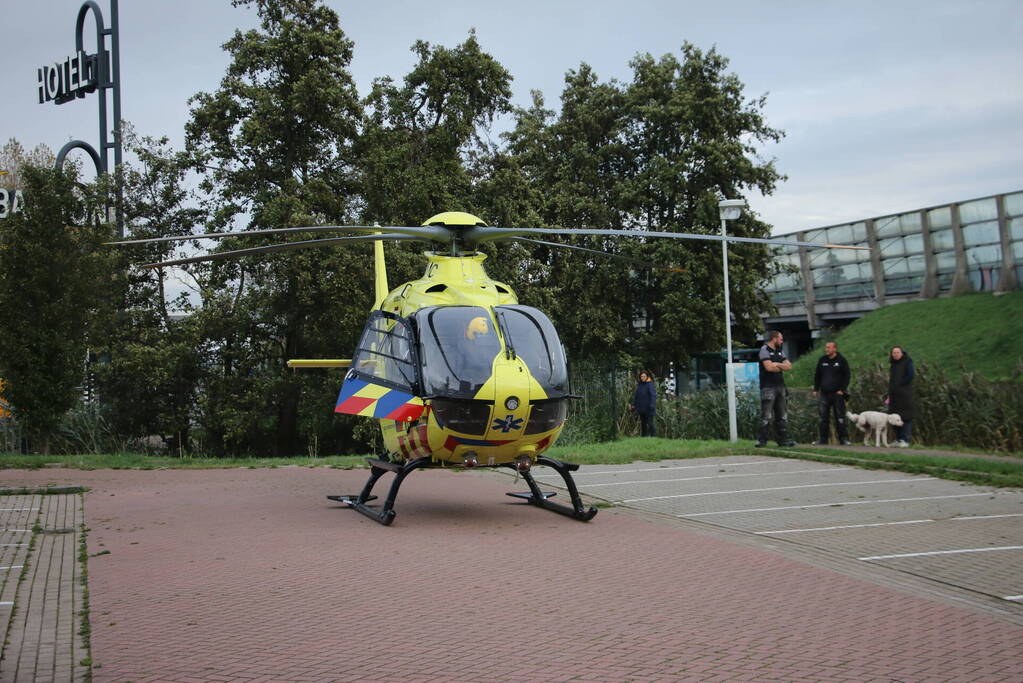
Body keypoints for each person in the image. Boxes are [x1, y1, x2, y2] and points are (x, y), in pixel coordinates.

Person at [756, 330, 795, 447]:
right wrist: (779, 365)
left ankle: (782, 441)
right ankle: (762, 441)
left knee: (782, 415)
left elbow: (789, 366)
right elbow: (768, 367)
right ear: (774, 338)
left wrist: (776, 364)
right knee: (766, 415)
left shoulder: (779, 351)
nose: (782, 341)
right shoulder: (764, 350)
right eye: (781, 339)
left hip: (780, 386)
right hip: (768, 387)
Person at [812, 340, 851, 445]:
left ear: (835, 349)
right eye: (826, 347)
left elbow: (847, 376)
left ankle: (843, 439)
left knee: (840, 417)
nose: (826, 349)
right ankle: (823, 440)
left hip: (837, 394)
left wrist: (842, 390)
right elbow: (817, 375)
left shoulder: (841, 360)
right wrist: (816, 389)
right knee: (823, 418)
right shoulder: (822, 360)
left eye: (829, 347)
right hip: (824, 393)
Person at [887, 345, 915, 447]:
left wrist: (901, 384)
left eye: (897, 352)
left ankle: (905, 440)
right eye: (893, 353)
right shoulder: (893, 364)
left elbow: (911, 375)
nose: (895, 354)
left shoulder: (907, 361)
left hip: (905, 394)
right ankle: (898, 439)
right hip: (893, 395)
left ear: (902, 353)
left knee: (905, 417)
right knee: (892, 417)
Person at [631, 369, 657, 437]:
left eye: (644, 376)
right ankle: (643, 437)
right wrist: (634, 405)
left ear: (647, 377)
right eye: (641, 376)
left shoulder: (650, 385)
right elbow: (636, 396)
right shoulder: (640, 385)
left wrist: (652, 405)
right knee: (643, 424)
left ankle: (653, 436)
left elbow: (653, 395)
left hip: (649, 408)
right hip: (641, 408)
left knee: (650, 423)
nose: (642, 378)